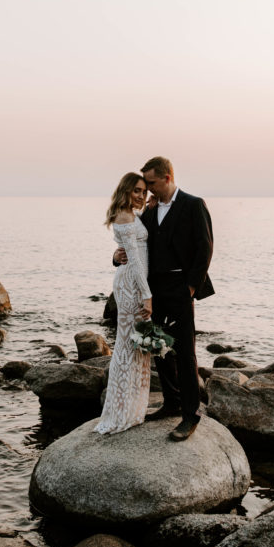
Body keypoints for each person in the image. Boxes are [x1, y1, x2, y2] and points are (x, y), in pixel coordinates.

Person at [115, 156, 214, 441]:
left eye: (152, 183)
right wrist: (115, 256)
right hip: (152, 288)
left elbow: (204, 248)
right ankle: (172, 402)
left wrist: (190, 289)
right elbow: (134, 246)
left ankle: (190, 415)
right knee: (157, 346)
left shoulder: (193, 204)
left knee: (184, 352)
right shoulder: (149, 210)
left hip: (180, 287)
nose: (148, 190)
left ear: (167, 178)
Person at [95, 172, 154, 434]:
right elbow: (136, 261)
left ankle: (133, 407)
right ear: (126, 190)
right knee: (128, 344)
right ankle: (120, 410)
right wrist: (147, 295)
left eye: (144, 191)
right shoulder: (124, 216)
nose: (141, 196)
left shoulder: (131, 214)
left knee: (137, 345)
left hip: (132, 280)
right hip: (131, 283)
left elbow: (133, 249)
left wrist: (147, 208)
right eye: (137, 191)